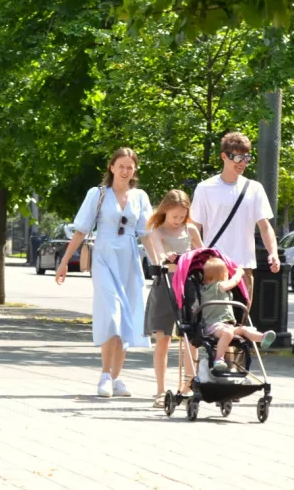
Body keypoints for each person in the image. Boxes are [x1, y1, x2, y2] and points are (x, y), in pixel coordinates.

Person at [55, 148, 155, 398]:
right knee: (112, 314)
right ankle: (105, 375)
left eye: (130, 167)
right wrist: (65, 261)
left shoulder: (140, 197)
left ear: (135, 170)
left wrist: (159, 265)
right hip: (104, 257)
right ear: (111, 167)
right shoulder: (98, 194)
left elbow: (147, 235)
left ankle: (117, 377)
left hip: (129, 260)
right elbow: (81, 230)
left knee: (127, 317)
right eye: (121, 166)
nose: (125, 171)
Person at [190, 132, 281, 311]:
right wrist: (194, 259)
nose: (243, 163)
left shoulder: (254, 188)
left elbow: (265, 227)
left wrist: (273, 253)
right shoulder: (205, 188)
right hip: (214, 266)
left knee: (241, 319)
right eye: (239, 158)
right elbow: (194, 227)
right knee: (214, 320)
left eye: (247, 158)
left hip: (244, 266)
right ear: (224, 156)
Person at [143, 189, 203, 408]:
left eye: (182, 216)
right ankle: (160, 390)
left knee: (190, 337)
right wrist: (166, 258)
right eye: (174, 215)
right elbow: (159, 255)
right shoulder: (157, 231)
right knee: (163, 338)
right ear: (165, 210)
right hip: (165, 284)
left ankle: (188, 386)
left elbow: (202, 254)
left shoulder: (190, 229)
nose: (178, 220)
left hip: (187, 284)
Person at [201, 257, 277, 372]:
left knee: (244, 329)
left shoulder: (213, 287)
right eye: (226, 274)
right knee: (227, 332)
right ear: (222, 275)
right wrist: (239, 273)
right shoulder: (217, 286)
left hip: (227, 325)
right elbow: (234, 282)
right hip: (214, 326)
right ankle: (219, 359)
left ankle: (262, 338)